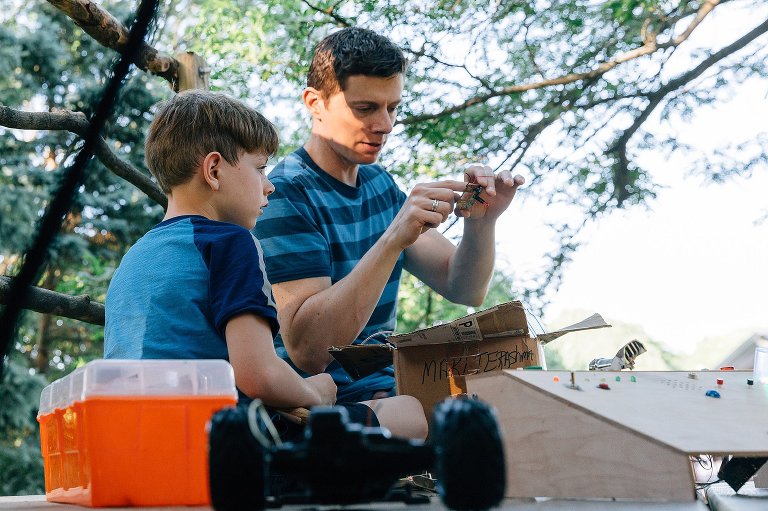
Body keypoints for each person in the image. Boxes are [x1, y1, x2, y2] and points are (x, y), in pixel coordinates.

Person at [104, 90, 426, 440]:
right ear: (213, 170)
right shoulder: (230, 243)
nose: (269, 186)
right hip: (223, 444)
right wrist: (316, 392)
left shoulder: (134, 258)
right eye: (259, 168)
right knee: (407, 412)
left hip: (134, 441)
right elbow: (258, 374)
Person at [255, 28, 525, 404]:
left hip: (398, 390)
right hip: (324, 408)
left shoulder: (379, 183)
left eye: (393, 107)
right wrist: (394, 236)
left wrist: (481, 224)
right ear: (315, 103)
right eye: (365, 108)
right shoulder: (285, 193)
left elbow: (464, 288)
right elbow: (309, 352)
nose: (385, 124)